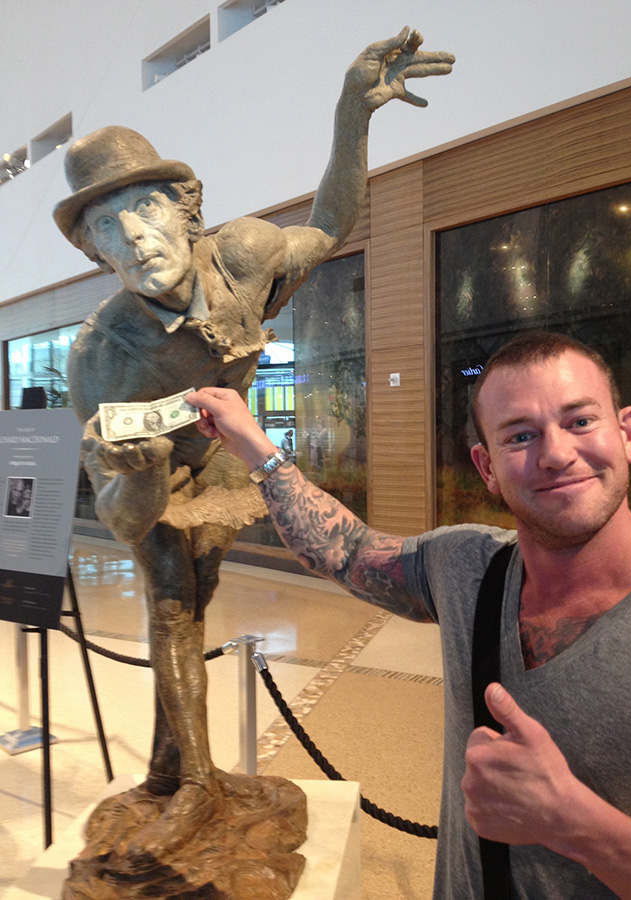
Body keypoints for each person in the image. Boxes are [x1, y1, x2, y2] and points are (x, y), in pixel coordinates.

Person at [54, 28, 454, 858]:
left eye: (145, 209)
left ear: (185, 208)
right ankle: (193, 782)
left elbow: (330, 224)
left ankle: (171, 767)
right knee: (172, 599)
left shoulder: (243, 256)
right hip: (161, 479)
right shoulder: (99, 356)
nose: (135, 238)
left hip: (224, 452)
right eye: (107, 228)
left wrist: (351, 115)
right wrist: (139, 474)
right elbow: (122, 517)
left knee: (195, 596)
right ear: (92, 251)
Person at [187, 330, 631, 900]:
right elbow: (345, 551)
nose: (556, 453)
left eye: (581, 421)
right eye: (520, 435)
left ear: (628, 433)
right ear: (487, 467)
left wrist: (573, 823)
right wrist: (254, 446)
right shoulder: (469, 567)